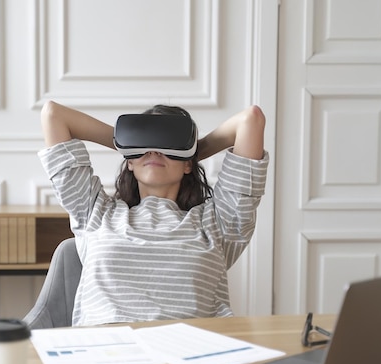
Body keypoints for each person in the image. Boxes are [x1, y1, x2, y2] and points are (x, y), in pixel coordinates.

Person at [39, 101, 268, 326]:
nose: (154, 151)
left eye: (168, 144)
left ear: (188, 164)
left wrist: (191, 149)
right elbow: (53, 115)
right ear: (129, 161)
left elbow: (251, 120)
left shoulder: (218, 222)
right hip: (107, 349)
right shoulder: (95, 211)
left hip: (191, 350)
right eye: (144, 144)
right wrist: (129, 142)